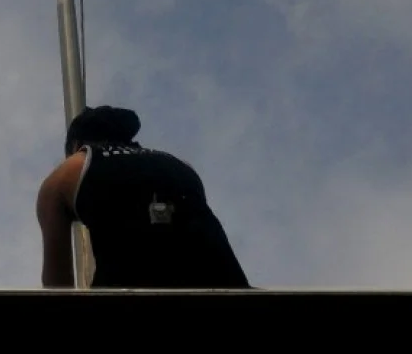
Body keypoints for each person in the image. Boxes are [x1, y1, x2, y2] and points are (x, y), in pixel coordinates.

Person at [36, 105, 251, 289]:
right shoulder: (180, 165)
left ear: (76, 145)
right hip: (229, 292)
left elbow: (58, 289)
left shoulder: (67, 172)